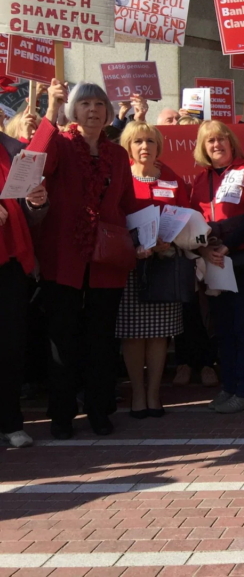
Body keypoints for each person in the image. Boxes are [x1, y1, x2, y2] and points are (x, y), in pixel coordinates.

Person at [27, 80, 141, 439]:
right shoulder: (60, 144)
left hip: (106, 261)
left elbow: (128, 204)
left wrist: (150, 235)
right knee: (63, 338)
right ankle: (61, 414)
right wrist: (50, 111)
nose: (93, 110)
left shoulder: (118, 155)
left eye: (99, 104)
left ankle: (98, 408)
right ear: (73, 111)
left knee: (101, 338)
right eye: (85, 104)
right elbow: (32, 164)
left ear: (108, 113)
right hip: (64, 257)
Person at [189, 119, 244, 414]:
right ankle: (229, 387)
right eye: (210, 141)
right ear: (203, 147)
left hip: (243, 259)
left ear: (230, 142)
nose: (216, 144)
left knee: (243, 328)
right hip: (213, 261)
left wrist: (229, 244)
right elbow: (193, 220)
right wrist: (203, 247)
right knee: (222, 329)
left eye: (221, 139)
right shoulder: (200, 179)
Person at [115, 122, 190, 419]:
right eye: (137, 142)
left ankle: (154, 394)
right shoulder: (121, 178)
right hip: (131, 265)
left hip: (164, 263)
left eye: (150, 141)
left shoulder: (171, 177)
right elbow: (113, 216)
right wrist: (133, 246)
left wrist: (168, 241)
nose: (144, 146)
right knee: (133, 335)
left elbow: (185, 214)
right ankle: (137, 394)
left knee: (160, 334)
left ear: (159, 146)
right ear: (129, 148)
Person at [1, 118, 49, 449]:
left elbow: (31, 212)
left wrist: (37, 202)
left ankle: (9, 420)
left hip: (11, 262)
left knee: (10, 344)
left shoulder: (14, 150)